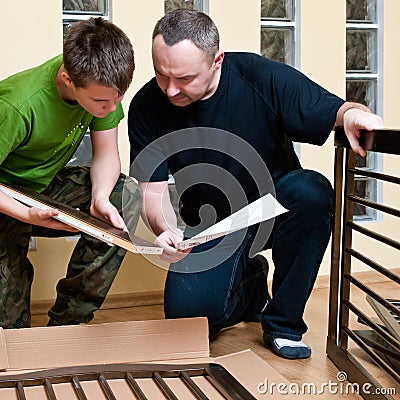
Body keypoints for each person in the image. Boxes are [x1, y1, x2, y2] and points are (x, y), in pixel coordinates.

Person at [128, 9, 384, 359]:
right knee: (187, 320)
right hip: (211, 227)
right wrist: (165, 229)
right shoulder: (147, 105)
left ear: (217, 61)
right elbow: (152, 190)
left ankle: (283, 323)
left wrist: (353, 113)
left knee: (312, 191)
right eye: (161, 75)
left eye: (185, 78)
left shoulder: (259, 76)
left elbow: (334, 110)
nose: (171, 89)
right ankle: (251, 286)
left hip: (275, 206)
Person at [0, 17, 141, 329]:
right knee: (10, 336)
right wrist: (25, 215)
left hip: (40, 189)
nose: (110, 107)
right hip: (5, 196)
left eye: (116, 99)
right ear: (67, 78)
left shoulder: (102, 84)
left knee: (124, 195)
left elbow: (106, 154)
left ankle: (68, 324)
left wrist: (101, 197)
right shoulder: (16, 106)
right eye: (100, 102)